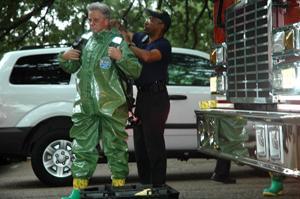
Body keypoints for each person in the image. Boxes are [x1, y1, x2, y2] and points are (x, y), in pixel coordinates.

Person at [59, 2, 141, 199]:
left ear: (106, 21)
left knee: (115, 148)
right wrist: (64, 57)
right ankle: (77, 192)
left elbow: (136, 70)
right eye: (89, 19)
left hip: (112, 106)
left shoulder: (116, 41)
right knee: (82, 148)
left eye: (96, 20)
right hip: (86, 106)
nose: (91, 23)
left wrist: (121, 58)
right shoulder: (85, 41)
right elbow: (71, 68)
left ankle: (119, 188)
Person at [117, 9, 172, 186]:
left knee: (153, 144)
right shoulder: (141, 38)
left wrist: (129, 45)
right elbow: (126, 33)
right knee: (140, 146)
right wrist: (118, 26)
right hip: (142, 97)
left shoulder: (163, 44)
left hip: (157, 99)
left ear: (161, 25)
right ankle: (145, 185)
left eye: (151, 19)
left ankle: (158, 187)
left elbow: (148, 57)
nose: (146, 21)